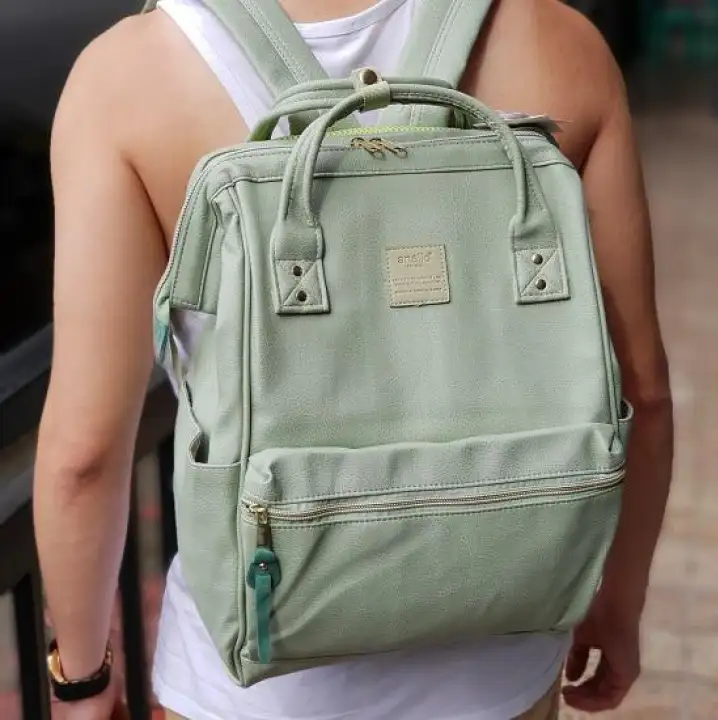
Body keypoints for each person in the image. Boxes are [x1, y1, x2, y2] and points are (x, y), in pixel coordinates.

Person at [33, 0, 674, 718]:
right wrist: (618, 603)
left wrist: (81, 679)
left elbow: (86, 455)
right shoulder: (557, 39)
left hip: (247, 692)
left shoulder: (128, 74)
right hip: (501, 678)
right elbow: (643, 393)